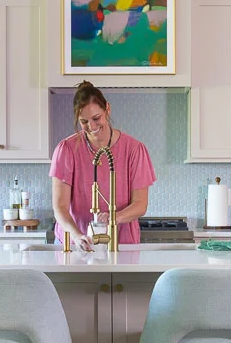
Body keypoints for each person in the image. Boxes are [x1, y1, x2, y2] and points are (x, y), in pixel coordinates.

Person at [50, 81, 156, 250]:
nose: (91, 127)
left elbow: (140, 204)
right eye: (84, 121)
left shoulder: (134, 149)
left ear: (107, 109)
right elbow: (60, 207)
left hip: (122, 243)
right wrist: (77, 236)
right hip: (75, 244)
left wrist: (113, 217)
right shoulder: (66, 150)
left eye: (96, 118)